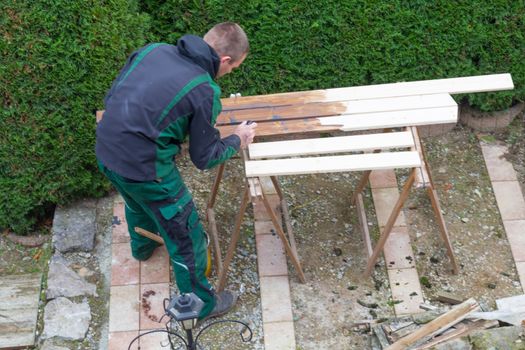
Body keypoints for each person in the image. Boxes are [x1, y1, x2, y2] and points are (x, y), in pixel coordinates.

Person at [96, 22, 256, 321]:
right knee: (185, 232)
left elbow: (115, 96)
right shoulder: (204, 89)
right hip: (146, 170)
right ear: (225, 60)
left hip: (106, 150)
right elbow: (204, 158)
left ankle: (142, 248)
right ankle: (202, 304)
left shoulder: (153, 50)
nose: (230, 73)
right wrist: (237, 139)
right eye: (234, 68)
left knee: (135, 202)